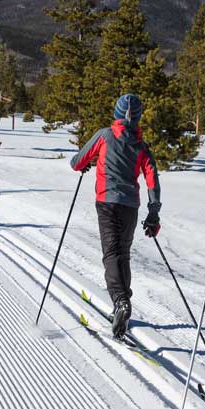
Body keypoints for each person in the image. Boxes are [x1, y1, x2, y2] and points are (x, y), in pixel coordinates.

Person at [71, 93, 161, 339]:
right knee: (123, 253)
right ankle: (121, 305)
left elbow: (77, 162)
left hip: (107, 203)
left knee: (111, 254)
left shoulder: (105, 136)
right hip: (130, 206)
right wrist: (154, 212)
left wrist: (88, 163)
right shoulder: (141, 146)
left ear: (117, 114)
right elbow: (152, 178)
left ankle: (121, 302)